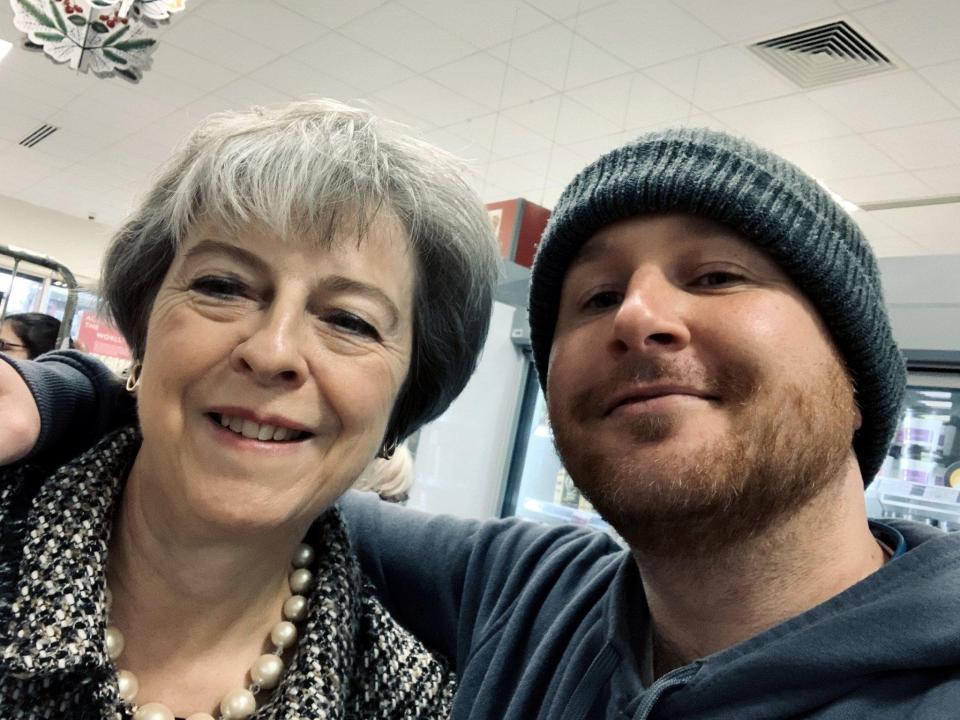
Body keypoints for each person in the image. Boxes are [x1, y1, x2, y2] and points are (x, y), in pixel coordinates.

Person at [6, 128, 960, 719]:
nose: (636, 315)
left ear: (861, 372)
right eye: (593, 298)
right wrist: (61, 397)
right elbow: (258, 478)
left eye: (717, 276)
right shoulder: (536, 598)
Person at [0, 99, 499, 719]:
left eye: (350, 320)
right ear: (144, 325)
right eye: (222, 285)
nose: (271, 352)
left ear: (405, 404)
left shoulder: (414, 704)